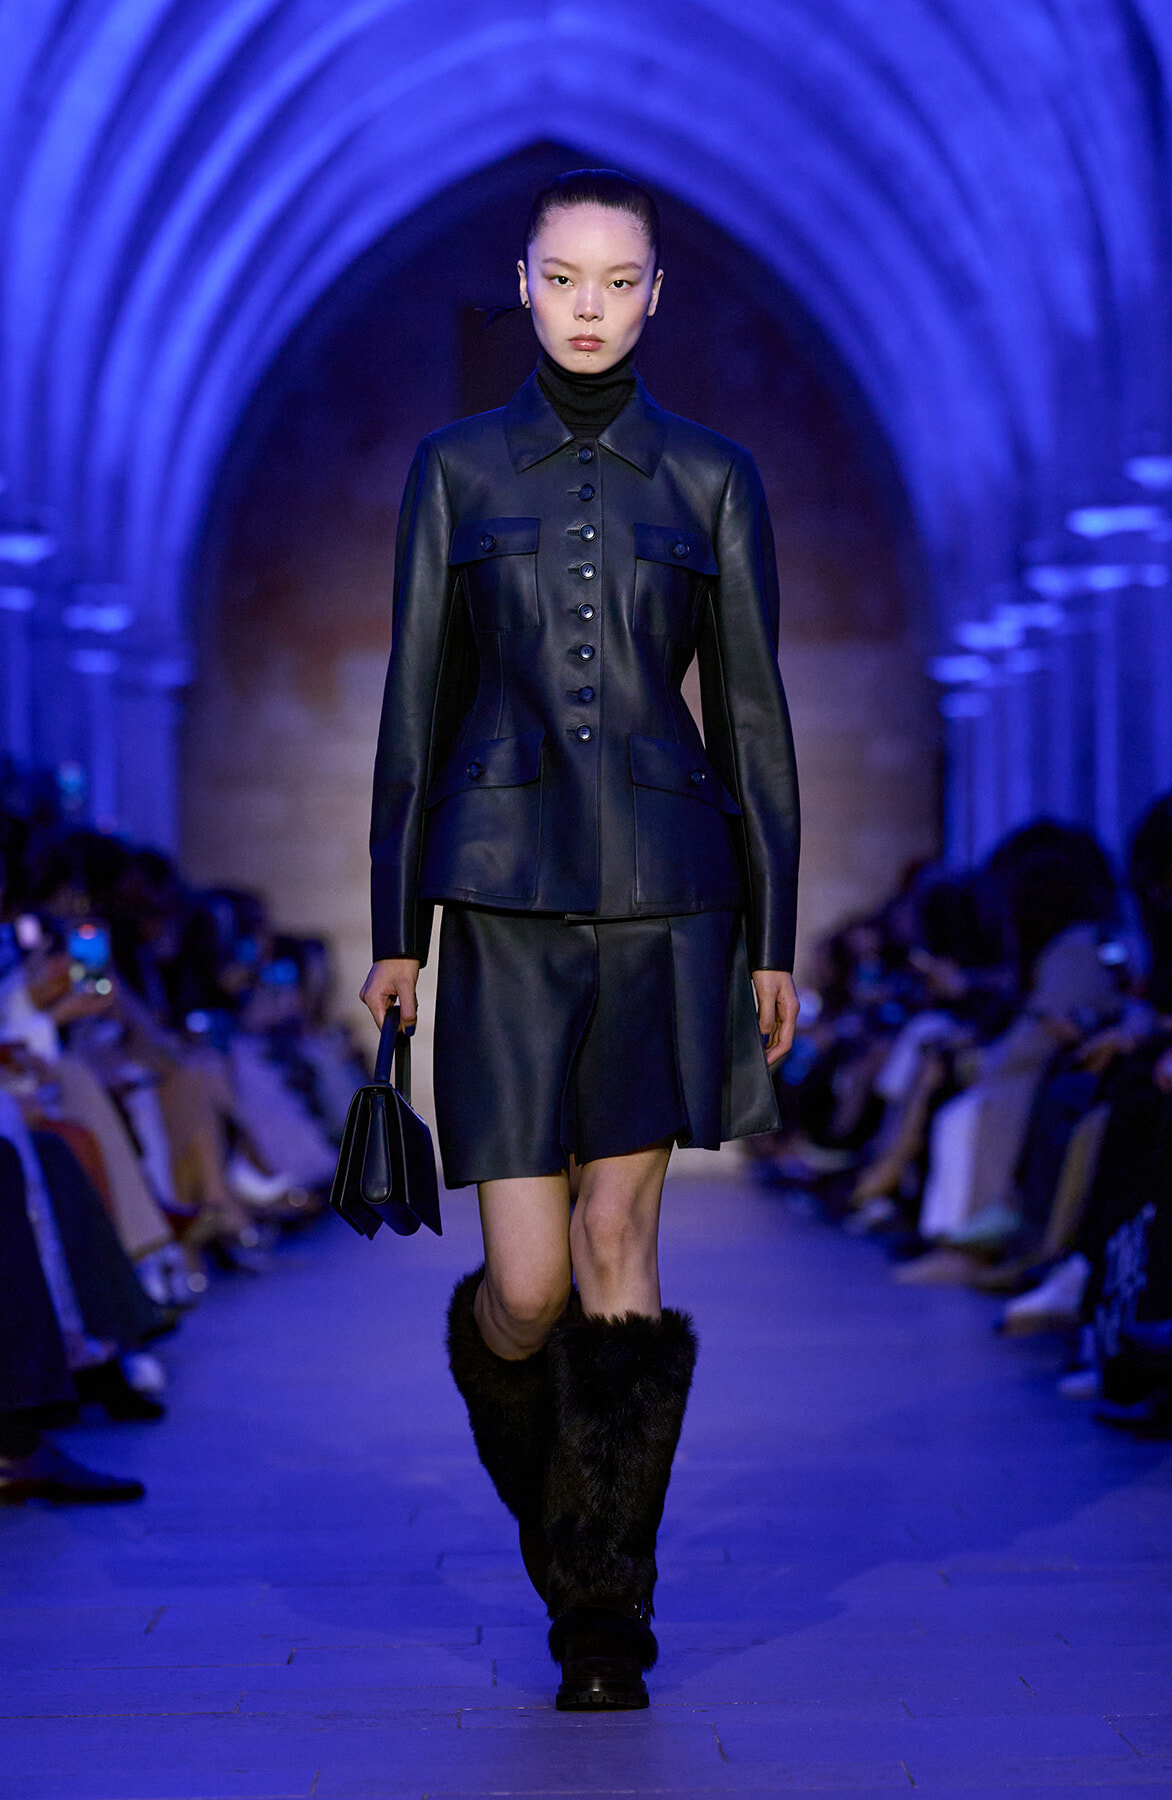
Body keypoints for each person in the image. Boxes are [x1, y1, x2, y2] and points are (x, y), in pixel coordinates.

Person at [360, 169, 800, 1710]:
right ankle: (570, 1517)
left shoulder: (715, 478)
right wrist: (391, 929)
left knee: (622, 1247)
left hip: (674, 898)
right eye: (564, 279)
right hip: (493, 900)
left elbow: (750, 717)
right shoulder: (454, 472)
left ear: (657, 292)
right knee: (528, 1286)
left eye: (620, 280)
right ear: (526, 284)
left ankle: (604, 1610)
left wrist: (775, 937)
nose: (591, 306)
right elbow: (414, 708)